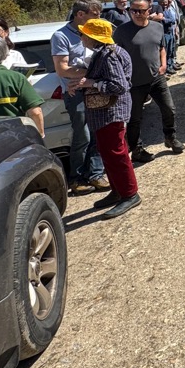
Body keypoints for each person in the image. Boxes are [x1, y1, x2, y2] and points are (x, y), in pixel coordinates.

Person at [73, 18, 140, 219]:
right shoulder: (105, 52)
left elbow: (119, 86)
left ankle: (130, 194)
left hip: (111, 112)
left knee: (116, 153)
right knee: (108, 153)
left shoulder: (109, 55)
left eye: (83, 34)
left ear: (93, 37)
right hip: (105, 112)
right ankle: (118, 190)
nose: (81, 37)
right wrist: (85, 83)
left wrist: (91, 83)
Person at [114, 0, 185, 163]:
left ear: (149, 11)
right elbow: (115, 56)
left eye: (141, 11)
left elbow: (161, 47)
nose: (137, 14)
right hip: (134, 83)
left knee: (169, 109)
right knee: (135, 119)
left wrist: (163, 65)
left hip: (156, 78)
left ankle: (170, 138)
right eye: (134, 11)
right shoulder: (121, 32)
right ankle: (137, 150)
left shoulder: (157, 27)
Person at [51, 0, 110, 193]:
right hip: (76, 92)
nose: (98, 18)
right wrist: (96, 73)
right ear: (80, 14)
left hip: (95, 88)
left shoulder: (96, 31)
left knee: (98, 132)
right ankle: (76, 178)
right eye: (95, 15)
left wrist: (94, 76)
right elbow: (62, 69)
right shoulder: (61, 36)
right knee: (83, 135)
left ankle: (96, 174)